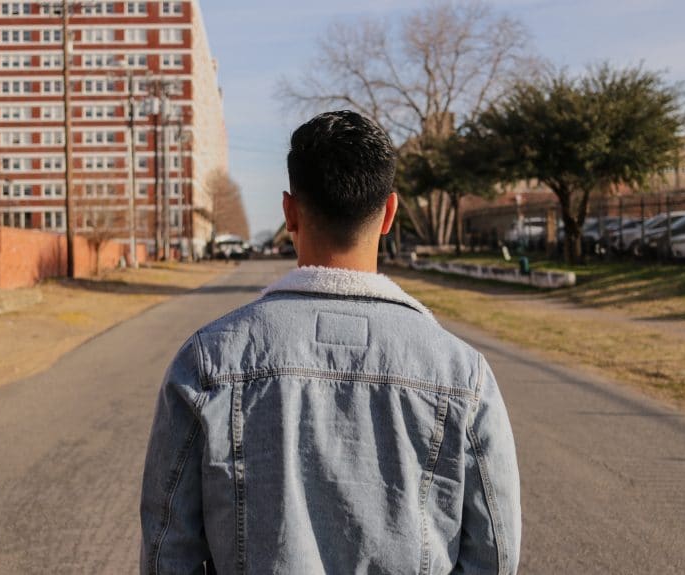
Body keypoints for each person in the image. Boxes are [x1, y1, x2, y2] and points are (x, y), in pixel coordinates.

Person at [140, 110, 521, 574]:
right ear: (389, 214)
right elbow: (495, 555)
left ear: (290, 212)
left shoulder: (208, 363)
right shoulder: (462, 374)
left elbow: (168, 551)